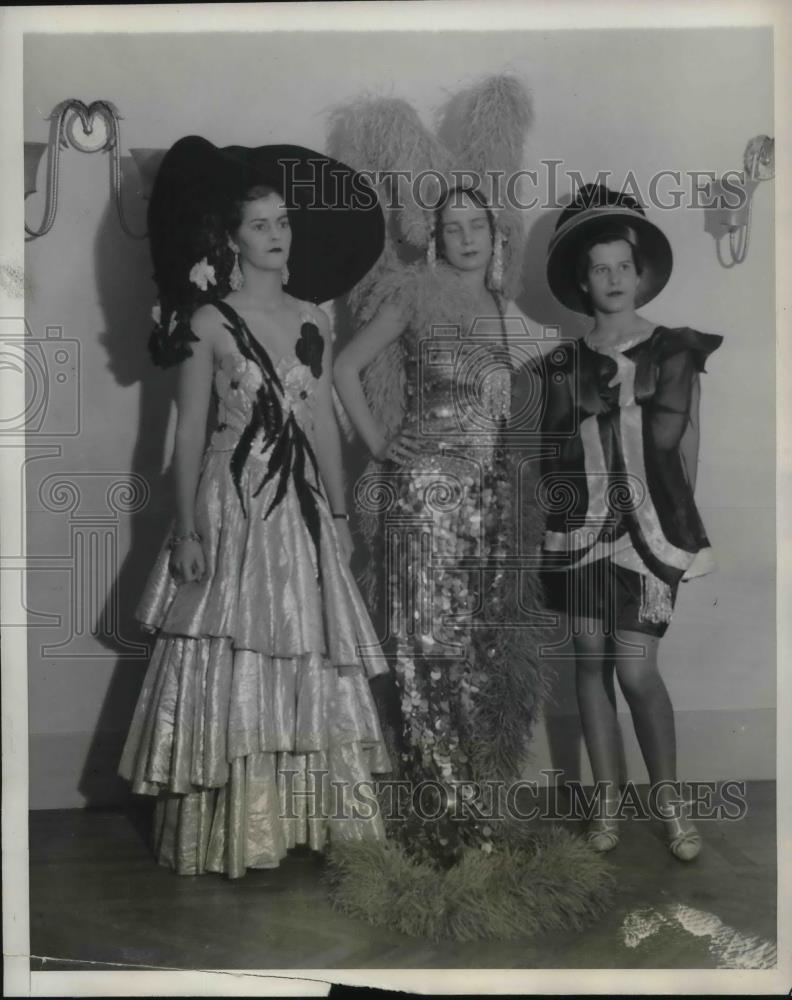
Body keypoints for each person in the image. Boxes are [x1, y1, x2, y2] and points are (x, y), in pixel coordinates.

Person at [118, 135, 391, 878]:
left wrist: (339, 515)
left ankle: (307, 821)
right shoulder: (208, 323)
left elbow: (322, 427)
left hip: (299, 511)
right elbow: (185, 438)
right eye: (264, 225)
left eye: (285, 223)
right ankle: (237, 831)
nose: (279, 235)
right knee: (233, 657)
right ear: (234, 240)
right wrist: (187, 530)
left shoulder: (315, 318)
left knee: (310, 653)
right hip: (232, 506)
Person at [334, 185, 546, 863]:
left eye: (475, 224)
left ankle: (473, 804)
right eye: (451, 226)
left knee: (480, 650)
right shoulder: (414, 295)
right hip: (427, 493)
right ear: (436, 239)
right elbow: (344, 367)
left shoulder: (507, 313)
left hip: (490, 502)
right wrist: (376, 442)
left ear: (494, 234)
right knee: (430, 648)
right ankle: (442, 822)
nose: (465, 236)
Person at [540, 183, 722, 861]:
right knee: (591, 660)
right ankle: (607, 808)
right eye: (599, 269)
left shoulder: (673, 349)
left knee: (638, 670)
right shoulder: (562, 367)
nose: (612, 279)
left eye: (623, 266)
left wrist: (678, 524)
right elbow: (553, 456)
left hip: (651, 532)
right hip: (581, 530)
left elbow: (687, 439)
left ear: (639, 273)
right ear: (582, 283)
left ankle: (669, 805)